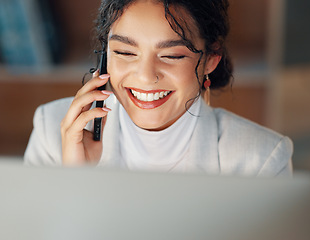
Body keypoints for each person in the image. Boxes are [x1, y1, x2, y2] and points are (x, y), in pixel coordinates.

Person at [24, 0, 293, 176]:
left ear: (210, 59)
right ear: (104, 58)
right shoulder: (51, 133)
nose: (145, 76)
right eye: (125, 52)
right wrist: (76, 180)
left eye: (172, 55)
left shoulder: (261, 160)